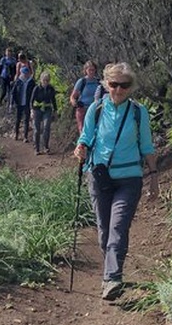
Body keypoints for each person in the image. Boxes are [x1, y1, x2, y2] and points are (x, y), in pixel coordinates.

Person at [73, 62, 159, 301]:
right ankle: (111, 272)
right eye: (114, 84)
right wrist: (80, 149)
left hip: (129, 178)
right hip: (99, 176)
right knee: (104, 231)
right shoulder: (96, 109)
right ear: (105, 84)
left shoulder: (138, 112)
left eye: (124, 85)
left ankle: (112, 278)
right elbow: (86, 137)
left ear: (131, 87)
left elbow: (147, 146)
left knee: (118, 228)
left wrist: (154, 178)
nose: (119, 89)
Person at [69, 61, 105, 133]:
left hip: (95, 109)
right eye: (89, 70)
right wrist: (74, 102)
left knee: (95, 130)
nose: (91, 72)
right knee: (83, 130)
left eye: (93, 70)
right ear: (86, 70)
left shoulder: (98, 82)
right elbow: (73, 96)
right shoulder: (82, 82)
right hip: (82, 109)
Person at [31, 71, 58, 154]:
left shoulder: (51, 88)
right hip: (37, 109)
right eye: (44, 80)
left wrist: (55, 110)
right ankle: (37, 148)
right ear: (41, 80)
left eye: (47, 80)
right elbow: (31, 100)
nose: (45, 82)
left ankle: (46, 146)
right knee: (37, 129)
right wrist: (31, 110)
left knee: (46, 127)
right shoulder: (36, 88)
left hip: (47, 109)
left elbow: (53, 100)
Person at [11, 66, 36, 142]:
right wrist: (11, 103)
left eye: (26, 73)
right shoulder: (18, 81)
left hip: (27, 103)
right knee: (18, 119)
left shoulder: (31, 82)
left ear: (28, 74)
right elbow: (13, 93)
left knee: (26, 120)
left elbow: (34, 93)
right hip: (19, 103)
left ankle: (25, 137)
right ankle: (16, 134)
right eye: (23, 73)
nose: (24, 75)